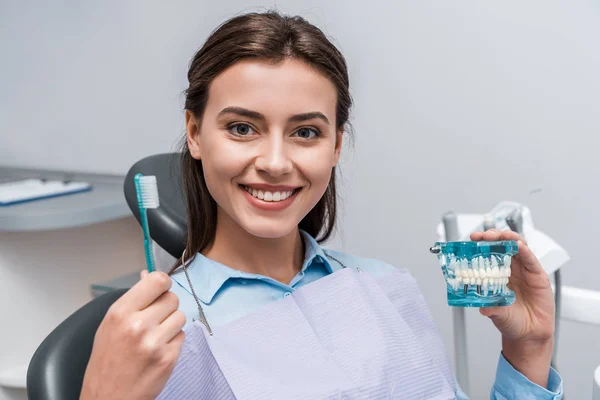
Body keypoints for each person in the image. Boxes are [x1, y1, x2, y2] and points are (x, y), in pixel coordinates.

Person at [80, 11, 563, 399]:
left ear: (335, 146)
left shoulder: (381, 286)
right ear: (194, 133)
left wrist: (528, 349)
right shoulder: (155, 335)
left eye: (305, 132)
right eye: (241, 128)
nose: (274, 162)